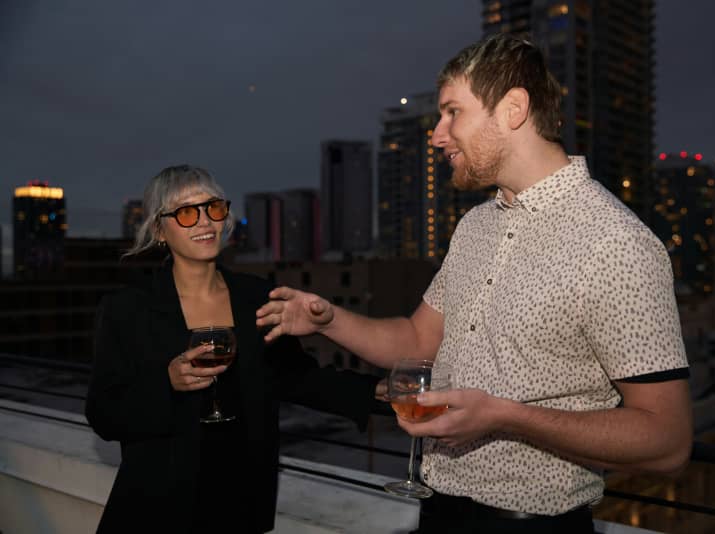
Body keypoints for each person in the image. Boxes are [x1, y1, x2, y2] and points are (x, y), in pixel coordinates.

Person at [256, 33, 692, 533]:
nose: (436, 134)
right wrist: (328, 319)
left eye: (452, 113)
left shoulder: (615, 242)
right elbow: (418, 340)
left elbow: (667, 442)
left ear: (513, 109)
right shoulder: (475, 226)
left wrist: (505, 416)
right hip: (438, 512)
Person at [85, 165, 380, 534]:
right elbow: (104, 413)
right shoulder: (128, 308)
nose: (205, 222)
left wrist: (378, 392)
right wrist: (168, 383)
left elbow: (295, 377)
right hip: (157, 506)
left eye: (213, 208)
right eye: (187, 212)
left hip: (238, 504)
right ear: (159, 229)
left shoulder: (256, 296)